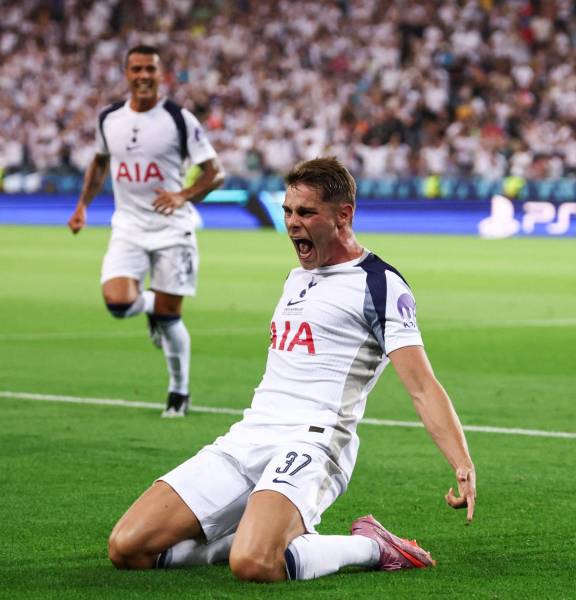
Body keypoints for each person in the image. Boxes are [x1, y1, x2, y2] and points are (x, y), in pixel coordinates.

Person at [107, 157, 476, 582]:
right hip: (249, 437)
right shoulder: (296, 278)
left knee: (254, 564)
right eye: (287, 211)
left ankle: (373, 546)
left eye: (305, 212)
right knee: (127, 547)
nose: (292, 223)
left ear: (343, 215)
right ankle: (254, 533)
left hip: (316, 441)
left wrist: (462, 462)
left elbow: (423, 386)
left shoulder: (380, 284)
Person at [68, 45, 224, 417]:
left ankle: (178, 392)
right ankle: (151, 304)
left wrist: (182, 195)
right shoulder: (109, 119)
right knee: (118, 304)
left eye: (150, 69)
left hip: (172, 229)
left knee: (171, 319)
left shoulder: (178, 118)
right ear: (126, 73)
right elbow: (100, 163)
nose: (143, 76)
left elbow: (215, 173)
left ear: (160, 74)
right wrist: (82, 206)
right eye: (136, 69)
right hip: (128, 226)